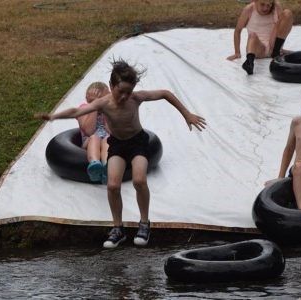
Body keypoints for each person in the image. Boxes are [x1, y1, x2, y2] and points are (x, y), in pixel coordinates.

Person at [35, 60, 206, 248]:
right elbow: (77, 110)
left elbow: (165, 93)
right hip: (117, 145)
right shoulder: (104, 103)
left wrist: (187, 114)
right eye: (120, 91)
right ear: (111, 86)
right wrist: (54, 117)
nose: (124, 96)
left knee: (139, 180)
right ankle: (118, 229)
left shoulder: (136, 98)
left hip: (138, 143)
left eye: (128, 91)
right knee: (113, 185)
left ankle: (144, 224)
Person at [227, 0, 293, 75]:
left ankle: (276, 51)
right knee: (252, 35)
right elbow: (238, 30)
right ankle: (249, 63)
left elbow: (283, 23)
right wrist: (237, 52)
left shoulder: (276, 6)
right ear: (255, 1)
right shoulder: (249, 9)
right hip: (258, 48)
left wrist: (279, 45)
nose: (265, 8)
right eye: (262, 4)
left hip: (273, 45)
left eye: (269, 5)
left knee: (287, 13)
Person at [77, 82, 111, 184]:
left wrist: (107, 111)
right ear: (87, 100)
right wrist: (94, 107)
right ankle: (95, 164)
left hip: (107, 139)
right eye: (93, 101)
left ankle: (106, 167)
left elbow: (112, 131)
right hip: (89, 141)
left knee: (107, 140)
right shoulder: (83, 108)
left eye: (102, 100)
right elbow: (88, 130)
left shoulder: (111, 109)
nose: (99, 103)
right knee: (94, 137)